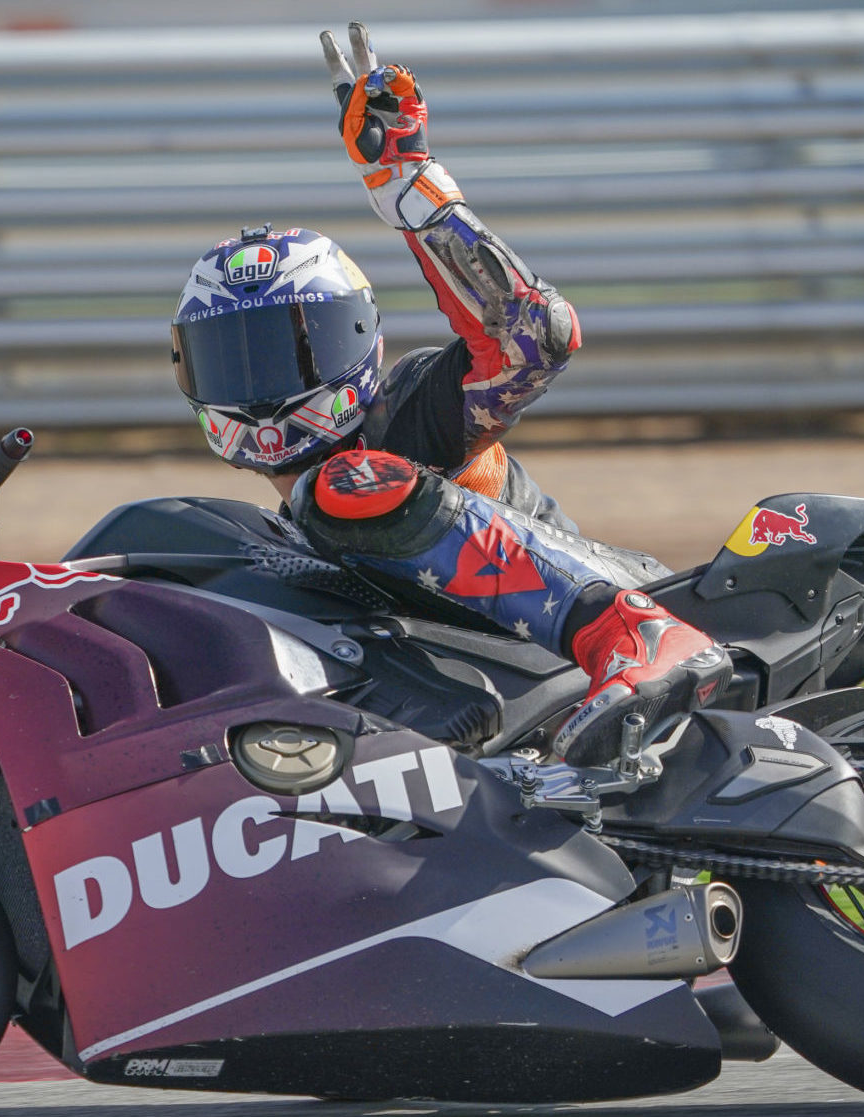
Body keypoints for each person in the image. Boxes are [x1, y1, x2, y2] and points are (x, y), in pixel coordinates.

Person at [168, 22, 730, 766]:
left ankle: (629, 632)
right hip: (511, 704)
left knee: (340, 490)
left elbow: (537, 335)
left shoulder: (409, 410)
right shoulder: (276, 529)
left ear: (359, 338)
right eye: (232, 359)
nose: (265, 385)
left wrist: (413, 190)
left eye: (298, 345)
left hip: (624, 611)